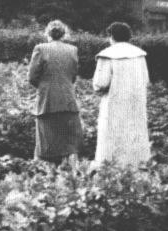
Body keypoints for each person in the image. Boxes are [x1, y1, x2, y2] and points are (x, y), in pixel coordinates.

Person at [92, 22, 151, 167]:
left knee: (112, 136)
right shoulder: (139, 55)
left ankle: (111, 167)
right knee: (134, 134)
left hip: (114, 104)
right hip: (135, 103)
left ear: (111, 37)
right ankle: (137, 165)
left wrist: (99, 89)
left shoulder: (107, 55)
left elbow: (100, 83)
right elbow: (146, 80)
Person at [28, 20, 83, 165]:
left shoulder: (40, 48)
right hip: (68, 101)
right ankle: (73, 177)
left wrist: (44, 87)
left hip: (47, 103)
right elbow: (73, 75)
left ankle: (42, 178)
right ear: (64, 34)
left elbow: (32, 77)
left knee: (45, 145)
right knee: (69, 144)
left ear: (47, 33)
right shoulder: (73, 50)